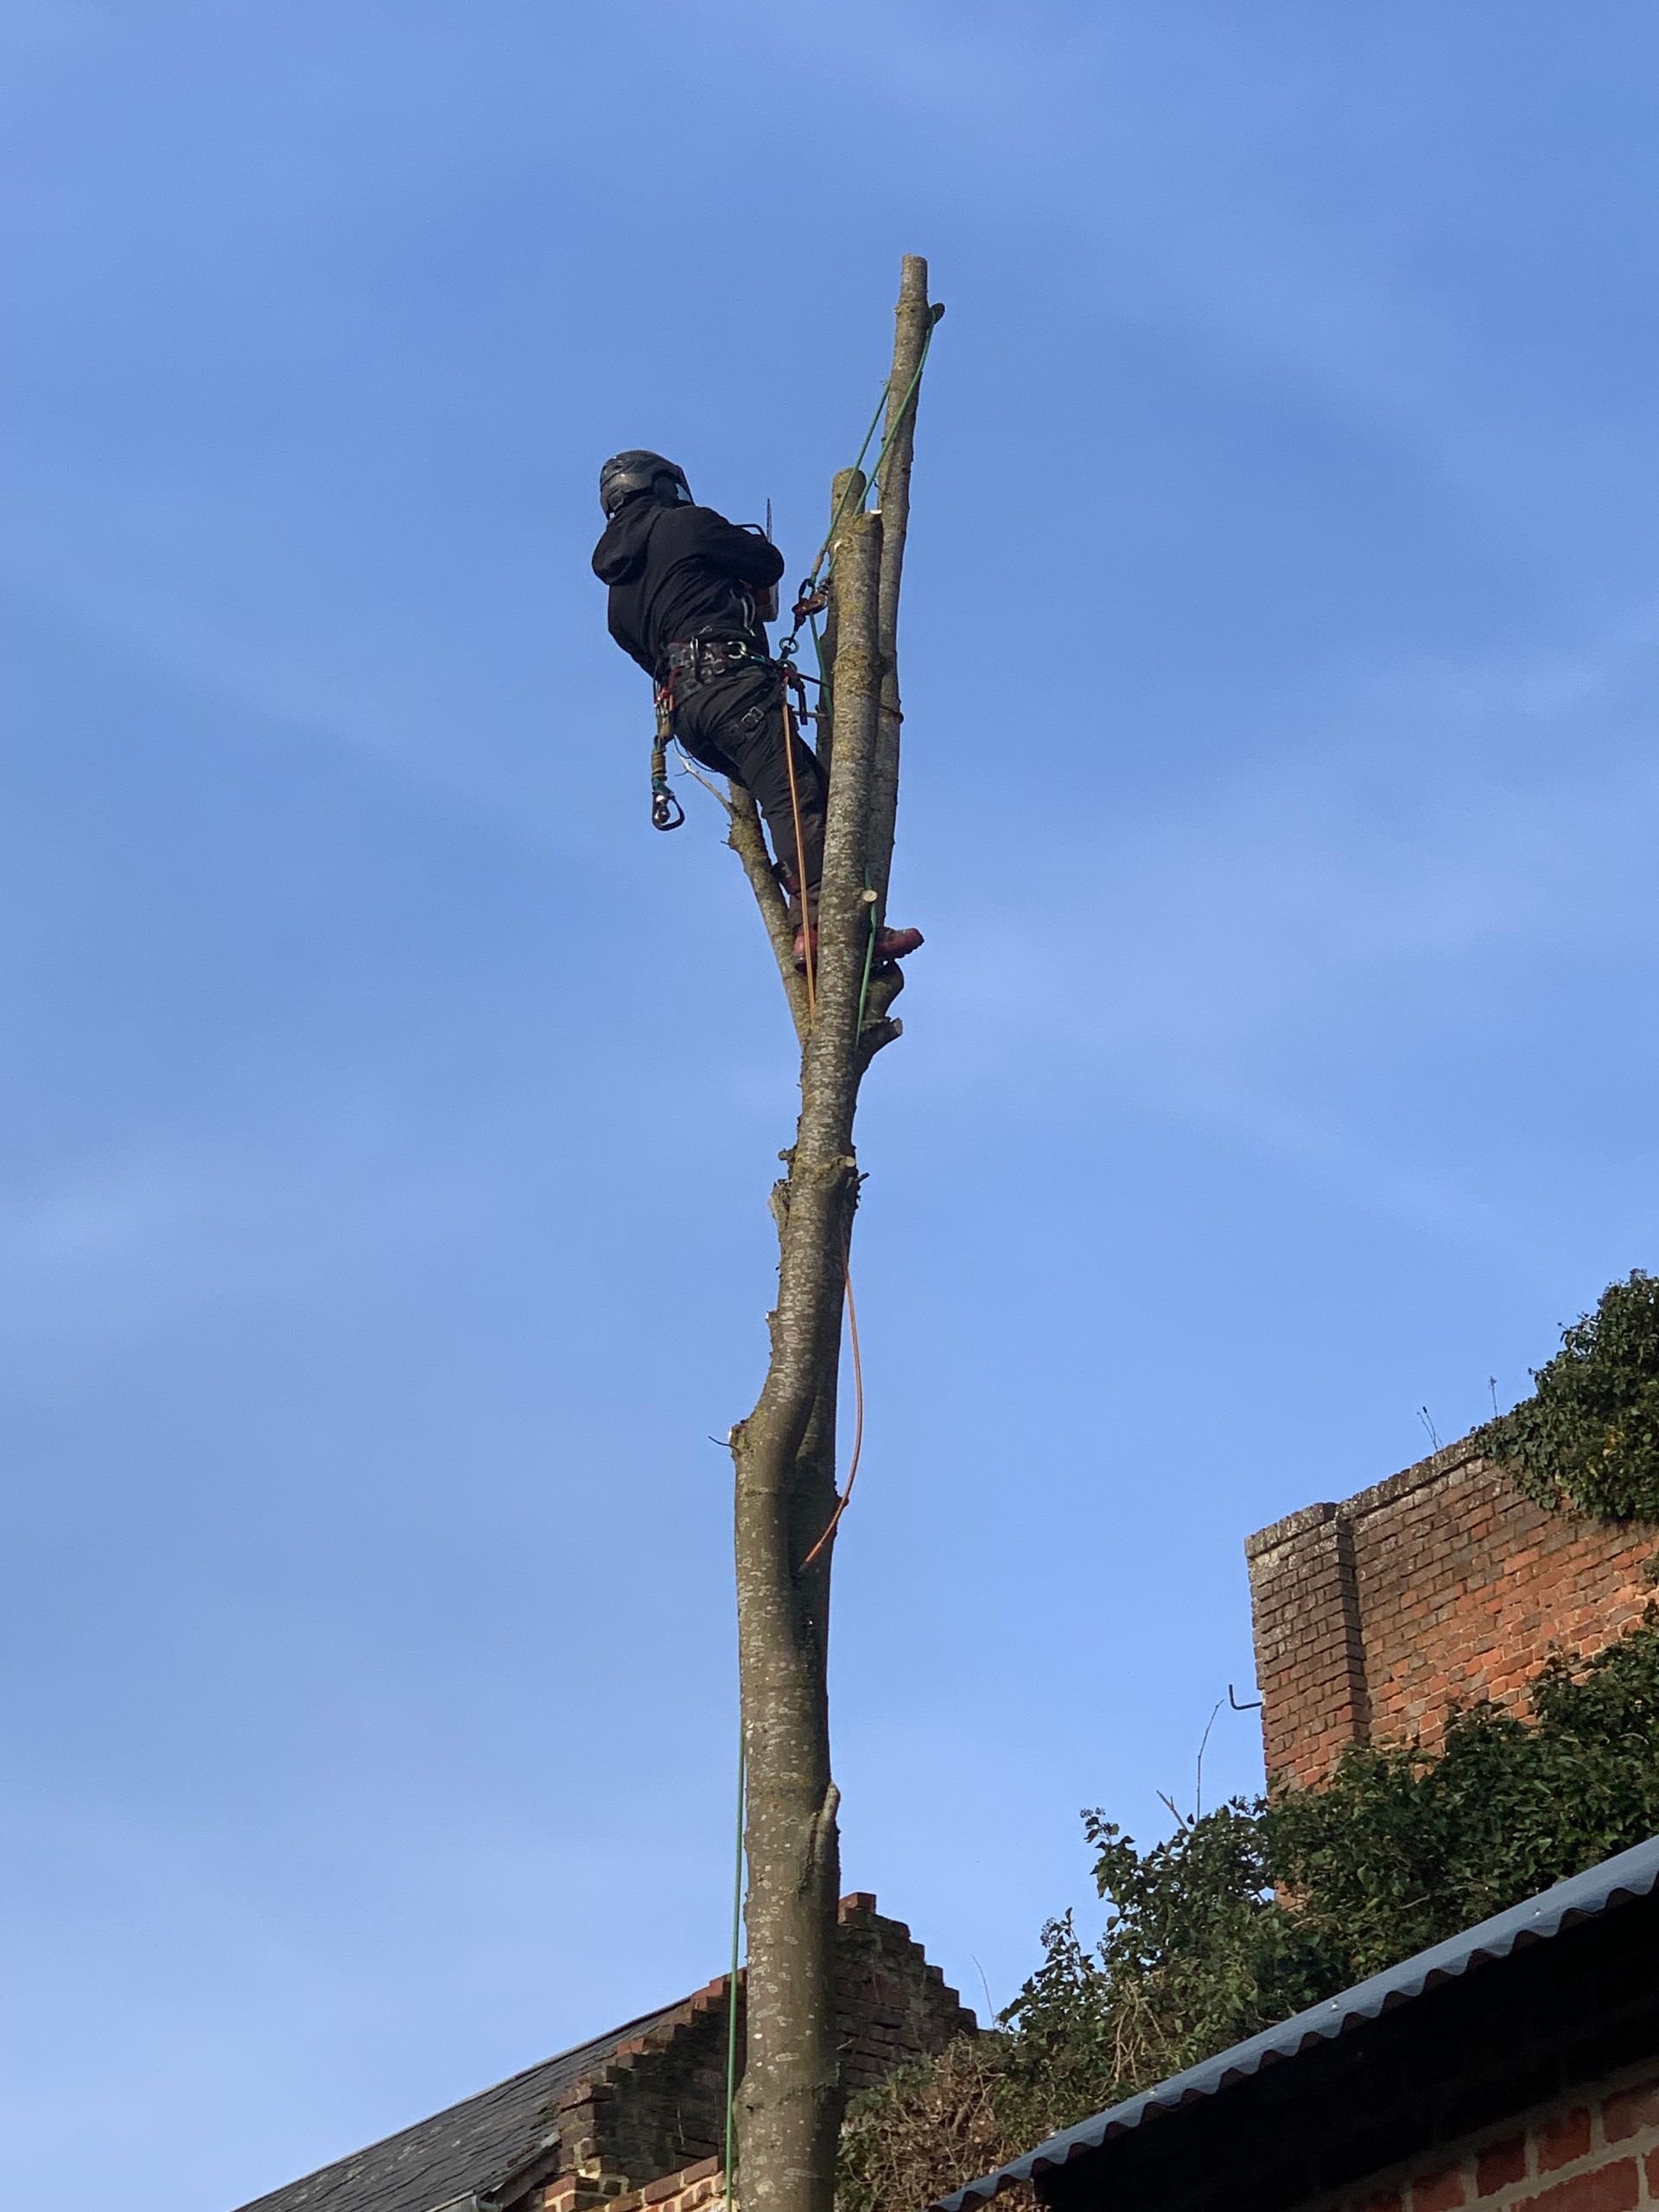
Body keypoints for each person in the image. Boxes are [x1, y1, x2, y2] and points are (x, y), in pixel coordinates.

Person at [591, 449, 922, 969]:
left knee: (797, 786)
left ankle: (825, 922)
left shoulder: (616, 599)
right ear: (663, 485)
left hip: (689, 720)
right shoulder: (687, 526)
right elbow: (768, 565)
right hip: (733, 689)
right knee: (800, 798)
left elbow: (650, 650)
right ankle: (826, 929)